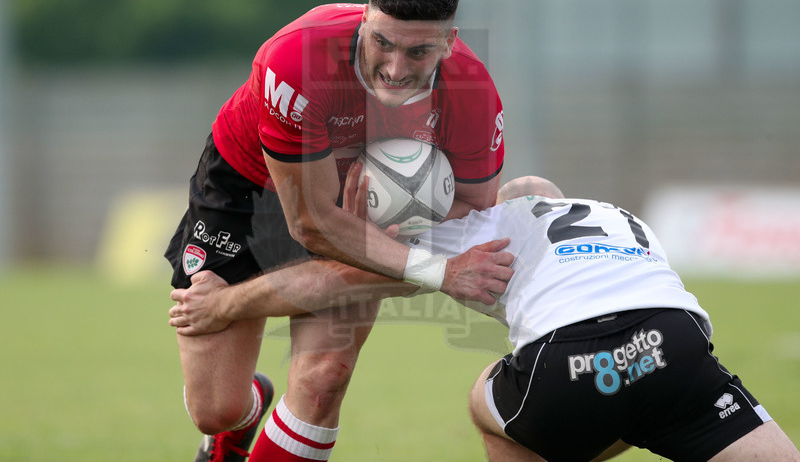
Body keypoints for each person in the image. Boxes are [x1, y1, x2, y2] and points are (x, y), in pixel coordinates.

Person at [171, 173, 800, 461]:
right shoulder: (617, 214)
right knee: (644, 399)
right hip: (678, 346)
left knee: (487, 402)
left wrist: (225, 303)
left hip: (572, 369)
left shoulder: (492, 226)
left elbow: (339, 276)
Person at [164, 0, 512, 462]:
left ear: (449, 43)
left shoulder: (473, 91)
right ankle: (247, 408)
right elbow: (312, 223)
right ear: (365, 19)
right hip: (247, 188)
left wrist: (412, 232)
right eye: (382, 43)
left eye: (418, 53)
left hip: (367, 208)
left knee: (325, 377)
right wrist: (439, 272)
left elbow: (473, 212)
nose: (395, 69)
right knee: (216, 409)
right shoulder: (294, 60)